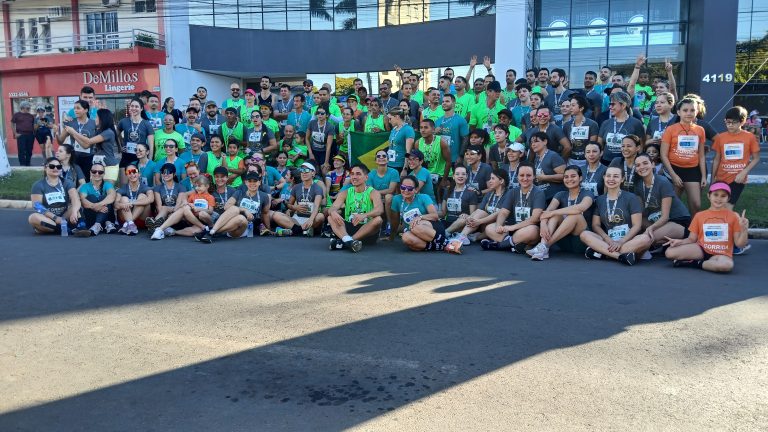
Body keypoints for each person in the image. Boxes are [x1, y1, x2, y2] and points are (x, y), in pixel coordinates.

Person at [664, 183, 749, 273]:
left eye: (723, 196)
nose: (719, 198)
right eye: (715, 195)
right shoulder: (699, 215)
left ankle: (695, 263)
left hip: (722, 253)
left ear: (728, 199)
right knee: (669, 252)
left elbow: (740, 244)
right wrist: (680, 242)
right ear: (709, 195)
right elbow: (691, 239)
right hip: (701, 250)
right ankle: (706, 262)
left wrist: (744, 230)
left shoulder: (733, 216)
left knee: (726, 266)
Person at [580, 166, 650, 266]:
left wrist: (621, 241)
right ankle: (621, 257)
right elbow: (596, 225)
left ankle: (603, 253)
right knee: (584, 234)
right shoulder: (599, 200)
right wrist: (608, 240)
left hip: (628, 240)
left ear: (622, 179)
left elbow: (637, 225)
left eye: (616, 176)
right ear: (604, 177)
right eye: (608, 176)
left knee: (646, 239)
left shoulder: (631, 197)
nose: (611, 179)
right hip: (608, 241)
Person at [528, 165, 595, 260]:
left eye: (573, 176)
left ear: (580, 178)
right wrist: (543, 224)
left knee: (575, 215)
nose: (569, 179)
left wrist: (554, 212)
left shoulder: (587, 193)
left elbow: (581, 208)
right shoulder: (560, 194)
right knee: (555, 216)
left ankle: (545, 246)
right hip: (563, 240)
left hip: (581, 240)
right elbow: (547, 212)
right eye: (566, 177)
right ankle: (543, 247)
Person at [632, 153, 691, 253]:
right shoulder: (638, 185)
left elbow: (665, 217)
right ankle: (658, 244)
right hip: (657, 221)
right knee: (638, 221)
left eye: (645, 163)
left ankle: (626, 252)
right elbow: (641, 213)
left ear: (653, 164)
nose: (642, 167)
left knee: (646, 238)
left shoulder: (663, 182)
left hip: (677, 221)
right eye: (638, 165)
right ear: (635, 169)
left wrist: (650, 228)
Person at [482, 164, 546, 253]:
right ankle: (514, 244)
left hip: (528, 230)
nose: (525, 178)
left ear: (534, 176)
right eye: (522, 175)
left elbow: (535, 219)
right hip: (513, 231)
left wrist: (512, 227)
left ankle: (500, 245)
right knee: (489, 228)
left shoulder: (538, 193)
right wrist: (499, 225)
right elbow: (503, 212)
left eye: (528, 175)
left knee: (532, 230)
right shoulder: (513, 192)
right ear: (517, 177)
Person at [661, 97, 707, 214]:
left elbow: (701, 155)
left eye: (692, 110)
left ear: (697, 112)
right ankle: (677, 225)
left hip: (692, 170)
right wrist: (673, 175)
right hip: (674, 169)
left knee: (696, 204)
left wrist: (703, 176)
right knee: (673, 206)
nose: (689, 113)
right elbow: (663, 155)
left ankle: (693, 225)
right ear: (678, 112)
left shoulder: (700, 130)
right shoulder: (670, 129)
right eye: (685, 110)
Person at [445, 169, 510, 252]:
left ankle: (466, 237)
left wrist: (479, 221)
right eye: (490, 178)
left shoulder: (509, 194)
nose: (490, 181)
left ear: (501, 181)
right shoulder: (489, 194)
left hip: (500, 226)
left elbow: (499, 213)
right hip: (485, 224)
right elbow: (479, 210)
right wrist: (470, 217)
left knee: (484, 219)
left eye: (493, 178)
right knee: (478, 213)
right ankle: (462, 236)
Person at [196, 172, 272, 242]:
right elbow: (227, 207)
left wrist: (269, 229)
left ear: (259, 182)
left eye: (255, 181)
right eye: (250, 181)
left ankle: (210, 231)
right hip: (231, 224)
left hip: (245, 228)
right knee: (234, 208)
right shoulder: (239, 192)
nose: (252, 183)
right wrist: (244, 210)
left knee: (241, 218)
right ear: (246, 182)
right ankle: (212, 232)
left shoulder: (264, 196)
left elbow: (265, 213)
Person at [711, 106, 761, 210]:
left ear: (742, 121)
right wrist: (712, 179)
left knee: (727, 207)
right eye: (727, 122)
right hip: (721, 177)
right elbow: (716, 159)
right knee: (718, 206)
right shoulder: (720, 137)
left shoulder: (749, 137)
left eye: (733, 122)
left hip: (738, 179)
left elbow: (756, 158)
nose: (730, 125)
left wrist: (744, 172)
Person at [327, 164, 384, 252]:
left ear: (366, 177)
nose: (354, 177)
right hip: (348, 229)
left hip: (367, 231)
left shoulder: (373, 192)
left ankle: (346, 241)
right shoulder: (345, 192)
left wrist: (364, 215)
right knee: (330, 217)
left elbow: (380, 209)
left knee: (378, 220)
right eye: (352, 174)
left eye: (358, 174)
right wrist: (333, 212)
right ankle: (349, 242)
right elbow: (333, 207)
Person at [28, 157, 86, 236]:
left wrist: (74, 212)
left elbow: (75, 199)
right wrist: (55, 218)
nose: (56, 169)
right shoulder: (38, 185)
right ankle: (64, 229)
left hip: (64, 215)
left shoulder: (67, 183)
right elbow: (37, 206)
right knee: (33, 218)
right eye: (52, 166)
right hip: (48, 217)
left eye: (58, 167)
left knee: (76, 207)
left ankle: (82, 228)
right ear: (45, 168)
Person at [389, 176, 447, 251]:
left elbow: (435, 216)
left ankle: (446, 243)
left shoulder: (424, 197)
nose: (406, 190)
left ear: (416, 189)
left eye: (410, 188)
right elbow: (395, 221)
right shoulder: (396, 199)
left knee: (414, 226)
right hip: (414, 231)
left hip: (432, 229)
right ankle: (439, 246)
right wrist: (391, 236)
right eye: (403, 187)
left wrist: (420, 217)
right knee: (405, 237)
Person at [64, 108, 120, 184]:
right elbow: (85, 145)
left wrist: (73, 132)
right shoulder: (98, 131)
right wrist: (73, 134)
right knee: (96, 189)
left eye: (96, 117)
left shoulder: (108, 132)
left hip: (109, 166)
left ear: (102, 119)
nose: (95, 119)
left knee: (107, 188)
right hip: (98, 166)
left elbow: (88, 141)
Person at [271, 162, 326, 236]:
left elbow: (316, 206)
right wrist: (295, 207)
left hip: (312, 218)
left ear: (313, 173)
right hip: (297, 218)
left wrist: (310, 220)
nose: (304, 173)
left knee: (320, 216)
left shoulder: (317, 188)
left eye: (306, 170)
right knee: (276, 215)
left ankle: (295, 231)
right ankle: (302, 231)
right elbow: (289, 205)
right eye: (302, 170)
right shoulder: (296, 187)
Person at [151, 176, 214, 240]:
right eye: (196, 186)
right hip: (191, 218)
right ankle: (160, 229)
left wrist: (199, 209)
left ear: (207, 186)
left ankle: (172, 232)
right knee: (185, 208)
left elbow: (210, 211)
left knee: (197, 230)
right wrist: (189, 204)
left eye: (199, 186)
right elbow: (186, 205)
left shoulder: (210, 197)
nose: (197, 188)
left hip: (202, 220)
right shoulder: (193, 195)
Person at [597, 91, 646, 165]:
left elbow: (641, 147)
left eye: (613, 104)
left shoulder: (636, 123)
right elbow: (599, 145)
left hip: (627, 163)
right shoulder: (606, 123)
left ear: (623, 105)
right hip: (606, 163)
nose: (610, 107)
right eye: (610, 104)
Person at [117, 98, 155, 183]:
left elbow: (151, 145)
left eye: (136, 106)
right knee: (124, 185)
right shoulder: (123, 121)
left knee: (138, 184)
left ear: (141, 108)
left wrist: (149, 161)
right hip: (126, 157)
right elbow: (116, 135)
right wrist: (120, 146)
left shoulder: (146, 124)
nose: (134, 108)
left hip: (140, 158)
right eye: (132, 106)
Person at [58, 99, 96, 181]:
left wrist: (73, 133)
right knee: (74, 180)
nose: (75, 110)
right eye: (74, 108)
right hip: (74, 157)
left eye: (78, 108)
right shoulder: (70, 122)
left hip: (89, 157)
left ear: (86, 110)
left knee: (87, 180)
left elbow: (88, 145)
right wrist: (56, 133)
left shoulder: (93, 123)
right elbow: (60, 141)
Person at [145, 163, 188, 234]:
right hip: (163, 216)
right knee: (163, 208)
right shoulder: (157, 188)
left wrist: (171, 215)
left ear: (174, 174)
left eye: (169, 172)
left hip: (177, 216)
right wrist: (165, 215)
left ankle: (154, 225)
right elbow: (159, 206)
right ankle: (156, 226)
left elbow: (178, 203)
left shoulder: (181, 187)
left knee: (165, 208)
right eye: (163, 172)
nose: (165, 174)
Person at [415, 119, 451, 200]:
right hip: (426, 175)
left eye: (426, 127)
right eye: (421, 128)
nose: (423, 130)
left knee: (439, 196)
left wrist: (444, 179)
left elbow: (448, 162)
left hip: (441, 175)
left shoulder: (441, 142)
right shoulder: (418, 143)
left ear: (433, 129)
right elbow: (417, 162)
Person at [366, 149, 400, 234]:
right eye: (378, 156)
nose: (381, 157)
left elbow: (391, 190)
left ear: (388, 160)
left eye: (384, 156)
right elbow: (370, 191)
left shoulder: (394, 172)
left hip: (391, 199)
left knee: (388, 197)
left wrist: (376, 193)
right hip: (377, 199)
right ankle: (373, 225)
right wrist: (377, 196)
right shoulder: (371, 174)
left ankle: (390, 223)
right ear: (376, 160)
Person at [78, 162, 117, 235]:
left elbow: (112, 196)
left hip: (108, 216)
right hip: (91, 218)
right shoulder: (85, 186)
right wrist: (95, 207)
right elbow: (83, 201)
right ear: (90, 172)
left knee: (103, 197)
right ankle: (100, 224)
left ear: (104, 174)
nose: (97, 174)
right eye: (94, 171)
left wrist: (99, 205)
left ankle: (97, 224)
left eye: (100, 172)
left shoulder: (107, 184)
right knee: (91, 197)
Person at [115, 163, 153, 235]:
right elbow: (115, 204)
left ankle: (129, 223)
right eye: (129, 172)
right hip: (124, 218)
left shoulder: (145, 187)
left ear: (139, 173)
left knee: (142, 196)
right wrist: (123, 205)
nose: (132, 174)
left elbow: (151, 199)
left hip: (141, 219)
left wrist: (132, 203)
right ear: (126, 175)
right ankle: (131, 224)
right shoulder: (123, 188)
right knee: (123, 199)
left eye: (134, 171)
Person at [440, 165, 479, 237]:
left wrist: (467, 215)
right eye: (457, 174)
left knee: (463, 219)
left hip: (461, 223)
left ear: (466, 176)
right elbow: (443, 212)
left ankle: (445, 234)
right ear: (453, 176)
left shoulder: (471, 192)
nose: (460, 176)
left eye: (463, 174)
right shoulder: (447, 190)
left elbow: (473, 215)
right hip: (447, 221)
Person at [563, 94, 599, 167]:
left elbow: (592, 145)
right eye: (570, 105)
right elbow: (566, 145)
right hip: (571, 160)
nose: (570, 108)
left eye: (573, 105)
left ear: (581, 108)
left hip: (587, 160)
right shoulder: (567, 125)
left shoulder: (592, 124)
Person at [435, 94, 470, 163]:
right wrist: (434, 133)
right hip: (439, 159)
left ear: (454, 103)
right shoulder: (438, 121)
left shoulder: (461, 120)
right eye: (443, 101)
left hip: (454, 159)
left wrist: (461, 156)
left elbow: (465, 139)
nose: (444, 103)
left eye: (447, 101)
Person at [530, 132, 566, 201]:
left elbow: (565, 176)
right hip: (543, 196)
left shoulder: (553, 156)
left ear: (545, 142)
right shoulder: (536, 158)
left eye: (536, 141)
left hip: (555, 197)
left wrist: (545, 177)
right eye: (532, 142)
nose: (533, 144)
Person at [306, 105, 338, 172]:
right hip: (313, 150)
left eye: (322, 113)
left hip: (324, 152)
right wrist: (310, 153)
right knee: (311, 171)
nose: (320, 115)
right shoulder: (312, 123)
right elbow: (307, 139)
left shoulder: (330, 126)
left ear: (327, 115)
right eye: (318, 113)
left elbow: (328, 146)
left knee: (324, 171)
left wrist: (326, 162)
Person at [386, 107, 416, 175]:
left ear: (397, 117)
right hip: (390, 163)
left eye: (390, 118)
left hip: (400, 165)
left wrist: (405, 169)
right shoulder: (394, 129)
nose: (389, 121)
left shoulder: (408, 129)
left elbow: (408, 152)